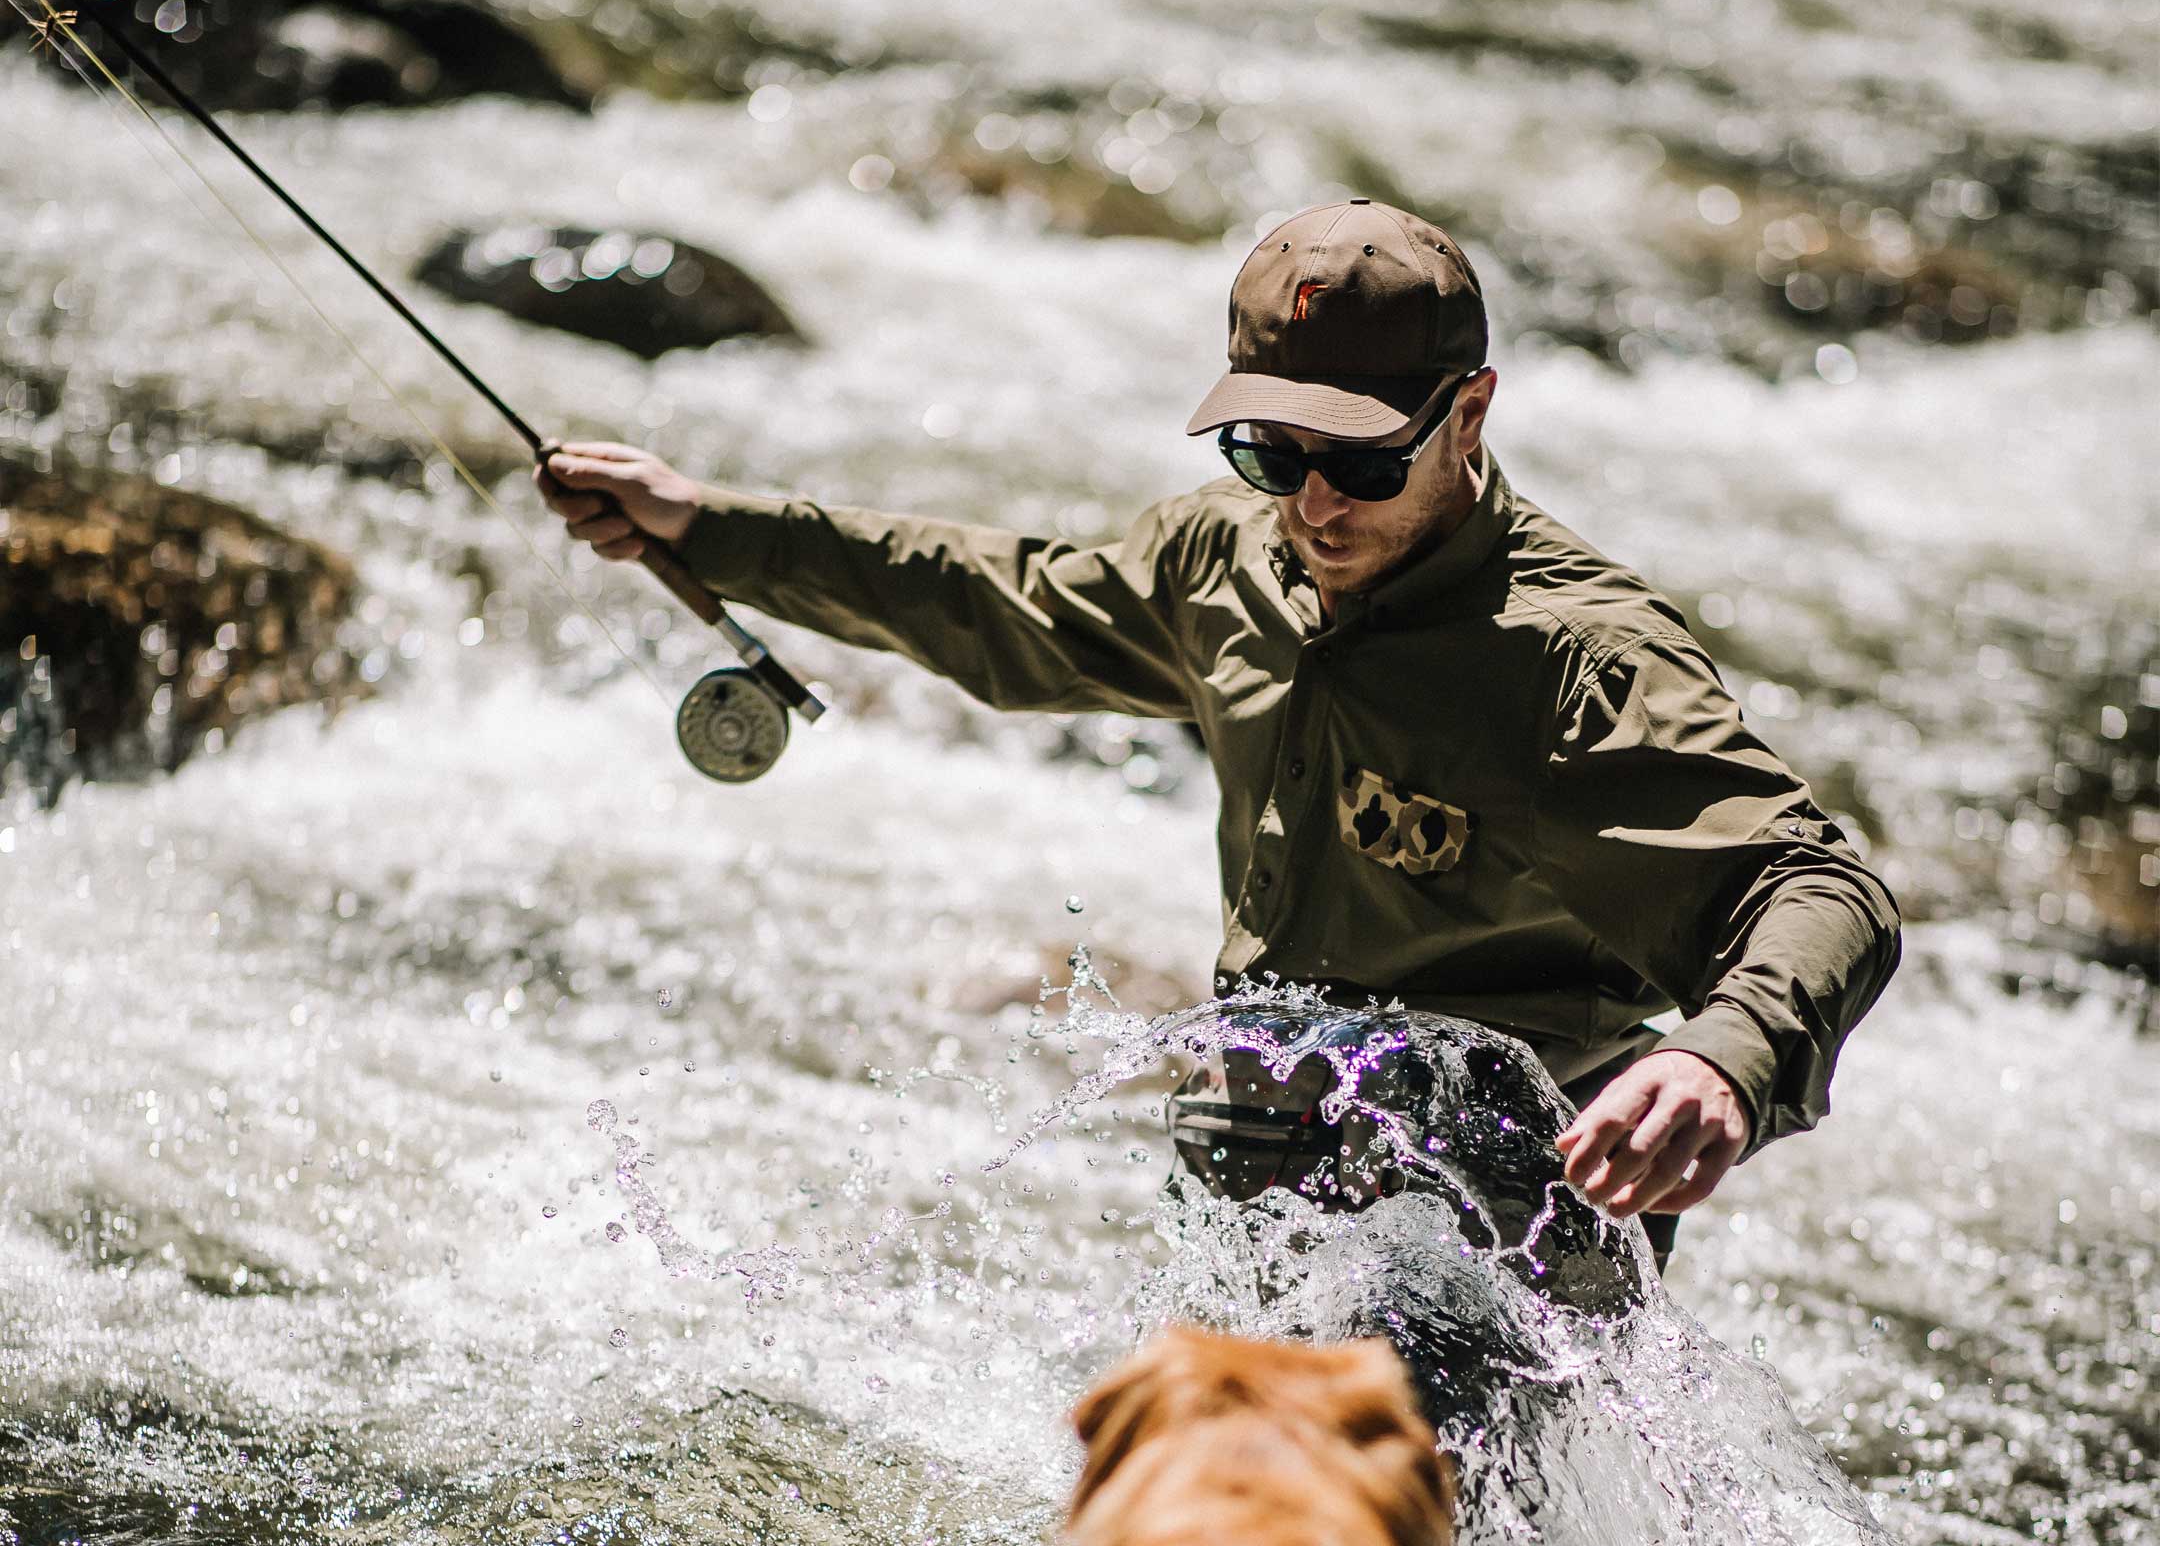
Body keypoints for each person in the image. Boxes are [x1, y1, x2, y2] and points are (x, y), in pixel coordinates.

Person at [537, 198, 1900, 1260]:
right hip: (1257, 1180)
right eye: (1268, 451)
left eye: (1364, 459)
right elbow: (1006, 605)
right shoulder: (1225, 561)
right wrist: (710, 530)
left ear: (1470, 411)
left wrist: (1721, 1058)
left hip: (1504, 1230)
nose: (1313, 503)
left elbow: (1818, 888)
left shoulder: (1574, 662)